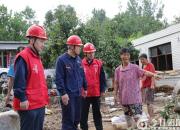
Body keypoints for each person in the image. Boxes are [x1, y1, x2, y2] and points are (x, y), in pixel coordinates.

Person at [13, 24, 49, 130]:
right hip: (28, 105)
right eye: (41, 41)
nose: (43, 45)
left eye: (44, 42)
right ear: (32, 40)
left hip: (39, 104)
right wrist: (23, 99)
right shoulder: (23, 57)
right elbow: (19, 82)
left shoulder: (37, 58)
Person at [114, 48, 160, 128]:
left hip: (135, 100)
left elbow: (145, 72)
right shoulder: (118, 70)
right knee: (128, 121)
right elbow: (116, 83)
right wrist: (115, 95)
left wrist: (154, 75)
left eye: (128, 55)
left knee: (139, 120)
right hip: (124, 100)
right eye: (124, 55)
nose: (126, 57)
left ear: (129, 56)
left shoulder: (134, 67)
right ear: (120, 56)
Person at [55, 35, 87, 130]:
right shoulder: (61, 60)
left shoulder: (78, 60)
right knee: (68, 121)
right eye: (79, 46)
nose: (80, 48)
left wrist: (85, 88)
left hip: (78, 95)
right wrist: (63, 93)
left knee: (77, 119)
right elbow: (59, 79)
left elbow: (82, 75)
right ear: (72, 47)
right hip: (68, 96)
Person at [80, 43, 106, 130]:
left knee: (97, 114)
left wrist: (102, 90)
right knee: (83, 115)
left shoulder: (98, 64)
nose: (92, 54)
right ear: (85, 53)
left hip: (96, 93)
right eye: (89, 53)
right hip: (84, 94)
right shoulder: (80, 64)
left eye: (93, 52)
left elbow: (102, 78)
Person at [139, 53, 156, 122]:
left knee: (149, 103)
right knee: (147, 103)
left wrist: (152, 85)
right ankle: (150, 117)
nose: (141, 61)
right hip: (145, 87)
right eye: (140, 60)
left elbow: (153, 75)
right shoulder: (144, 67)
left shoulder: (150, 65)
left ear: (146, 58)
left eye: (142, 59)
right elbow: (144, 77)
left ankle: (151, 118)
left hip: (149, 87)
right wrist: (141, 86)